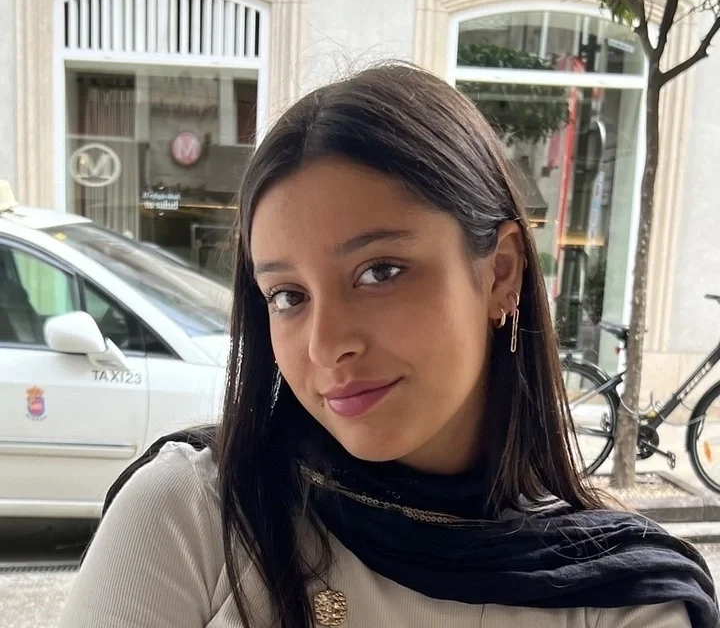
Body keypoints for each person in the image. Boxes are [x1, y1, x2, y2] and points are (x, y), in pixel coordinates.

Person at [60, 64, 718, 628]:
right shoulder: (192, 517)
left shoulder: (617, 593)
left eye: (380, 272)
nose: (327, 345)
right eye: (287, 295)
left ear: (500, 273)